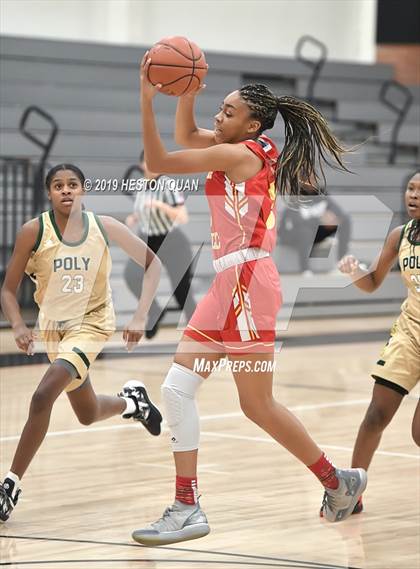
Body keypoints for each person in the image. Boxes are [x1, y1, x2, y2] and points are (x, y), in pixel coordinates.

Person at [131, 54, 367, 546]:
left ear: (252, 124)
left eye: (228, 111)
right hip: (226, 284)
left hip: (247, 284)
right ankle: (186, 504)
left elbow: (157, 161)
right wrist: (188, 91)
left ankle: (336, 481)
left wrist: (149, 97)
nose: (218, 117)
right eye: (219, 108)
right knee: (176, 389)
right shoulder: (236, 145)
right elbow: (186, 138)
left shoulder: (243, 156)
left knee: (256, 405)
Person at [0, 164, 163, 522]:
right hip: (54, 330)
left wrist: (139, 316)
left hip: (92, 324)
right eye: (58, 185)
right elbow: (8, 290)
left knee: (43, 396)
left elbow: (153, 264)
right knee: (87, 413)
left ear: (83, 190)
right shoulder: (33, 231)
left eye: (72, 184)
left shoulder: (103, 226)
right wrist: (17, 324)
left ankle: (9, 486)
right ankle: (133, 404)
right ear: (49, 193)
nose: (66, 190)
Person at [320, 171, 419, 517]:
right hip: (410, 331)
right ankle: (351, 492)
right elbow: (373, 281)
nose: (413, 195)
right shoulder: (400, 235)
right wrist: (355, 271)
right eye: (410, 188)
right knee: (376, 414)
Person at [124, 151, 197, 338]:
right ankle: (155, 311)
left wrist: (159, 205)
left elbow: (183, 217)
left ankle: (196, 329)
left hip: (172, 242)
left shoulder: (168, 184)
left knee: (181, 290)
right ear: (141, 165)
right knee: (131, 274)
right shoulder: (140, 185)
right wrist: (134, 217)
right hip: (148, 239)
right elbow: (143, 210)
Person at [278, 180, 351, 276]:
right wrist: (319, 219)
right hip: (291, 234)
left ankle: (341, 260)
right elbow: (297, 223)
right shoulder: (296, 199)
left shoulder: (322, 197)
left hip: (312, 231)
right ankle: (305, 269)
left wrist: (332, 217)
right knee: (304, 231)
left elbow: (339, 213)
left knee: (345, 221)